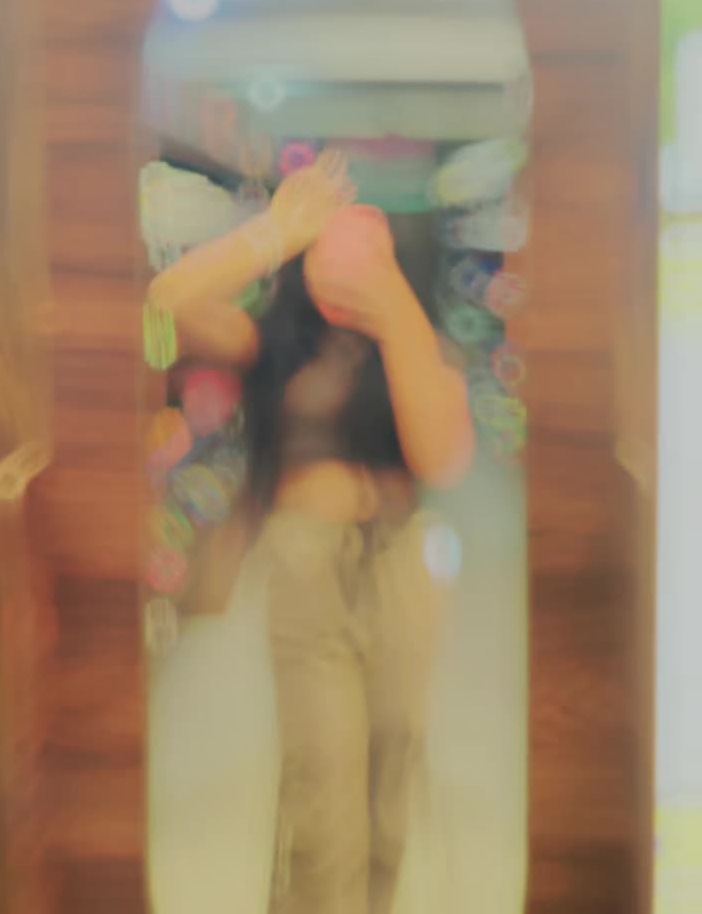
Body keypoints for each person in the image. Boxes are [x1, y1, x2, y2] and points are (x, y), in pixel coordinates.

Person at [147, 150, 474, 914]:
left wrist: (394, 310)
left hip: (400, 565)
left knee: (390, 798)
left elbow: (442, 459)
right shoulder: (270, 342)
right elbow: (165, 305)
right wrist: (277, 229)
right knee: (323, 804)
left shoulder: (414, 339)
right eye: (332, 240)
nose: (349, 255)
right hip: (307, 565)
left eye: (371, 241)